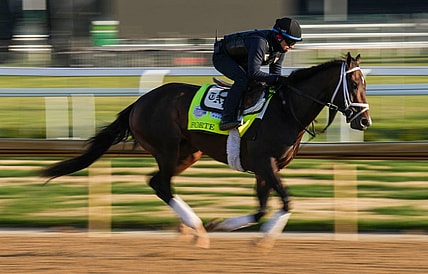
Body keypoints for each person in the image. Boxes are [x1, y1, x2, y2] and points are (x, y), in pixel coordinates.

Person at [212, 17, 303, 130]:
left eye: (294, 42)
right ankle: (226, 118)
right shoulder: (260, 43)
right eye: (290, 42)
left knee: (263, 85)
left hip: (240, 59)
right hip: (222, 56)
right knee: (242, 80)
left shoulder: (280, 49)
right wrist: (278, 79)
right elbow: (254, 73)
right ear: (278, 37)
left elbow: (275, 75)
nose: (292, 46)